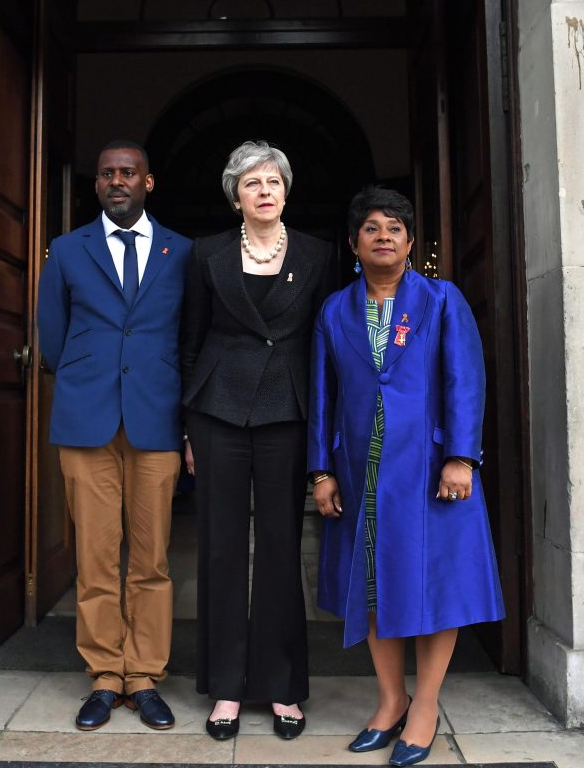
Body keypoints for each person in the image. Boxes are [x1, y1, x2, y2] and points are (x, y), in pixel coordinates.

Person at [308, 186, 505, 766]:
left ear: (412, 243)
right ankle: (392, 699)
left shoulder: (442, 300)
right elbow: (323, 396)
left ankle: (426, 705)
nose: (384, 236)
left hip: (431, 470)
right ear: (353, 244)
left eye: (395, 227)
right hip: (361, 469)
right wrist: (321, 470)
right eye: (372, 228)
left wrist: (462, 458)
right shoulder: (335, 310)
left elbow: (465, 381)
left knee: (434, 584)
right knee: (372, 582)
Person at [181, 140, 337, 741]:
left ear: (286, 191)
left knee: (279, 547)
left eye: (273, 181)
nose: (264, 191)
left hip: (287, 414)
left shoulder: (319, 255)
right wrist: (187, 426)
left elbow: (324, 348)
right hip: (217, 411)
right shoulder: (206, 254)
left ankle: (281, 687)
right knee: (219, 548)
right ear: (235, 195)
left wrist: (325, 433)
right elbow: (189, 340)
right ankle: (224, 686)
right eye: (252, 183)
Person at [37, 140, 191, 732]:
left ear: (148, 183)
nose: (117, 181)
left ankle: (145, 674)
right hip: (86, 420)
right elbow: (53, 335)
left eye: (128, 172)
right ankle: (105, 674)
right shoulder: (68, 249)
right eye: (107, 174)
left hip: (156, 418)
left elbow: (187, 333)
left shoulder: (183, 251)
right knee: (95, 555)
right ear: (95, 184)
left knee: (150, 558)